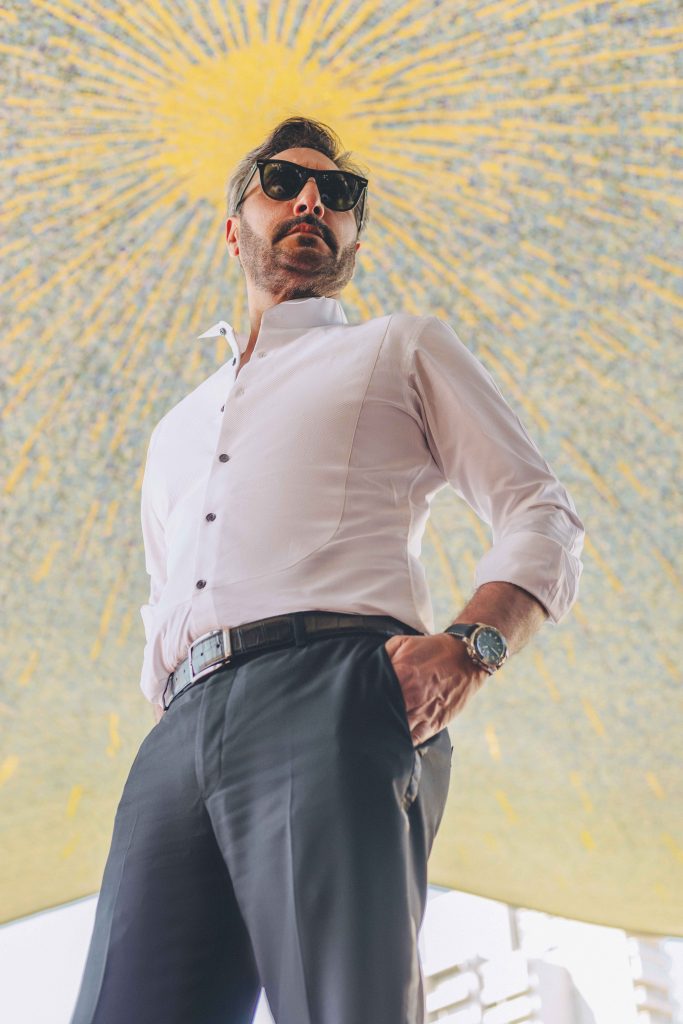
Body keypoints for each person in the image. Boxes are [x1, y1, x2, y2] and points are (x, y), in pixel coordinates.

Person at [70, 116, 584, 1024]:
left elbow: (539, 507)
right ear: (234, 227)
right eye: (281, 182)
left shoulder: (397, 346)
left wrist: (470, 648)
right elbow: (163, 598)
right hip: (176, 735)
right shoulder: (174, 431)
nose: (311, 199)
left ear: (352, 236)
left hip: (333, 692)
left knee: (343, 1005)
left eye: (338, 194)